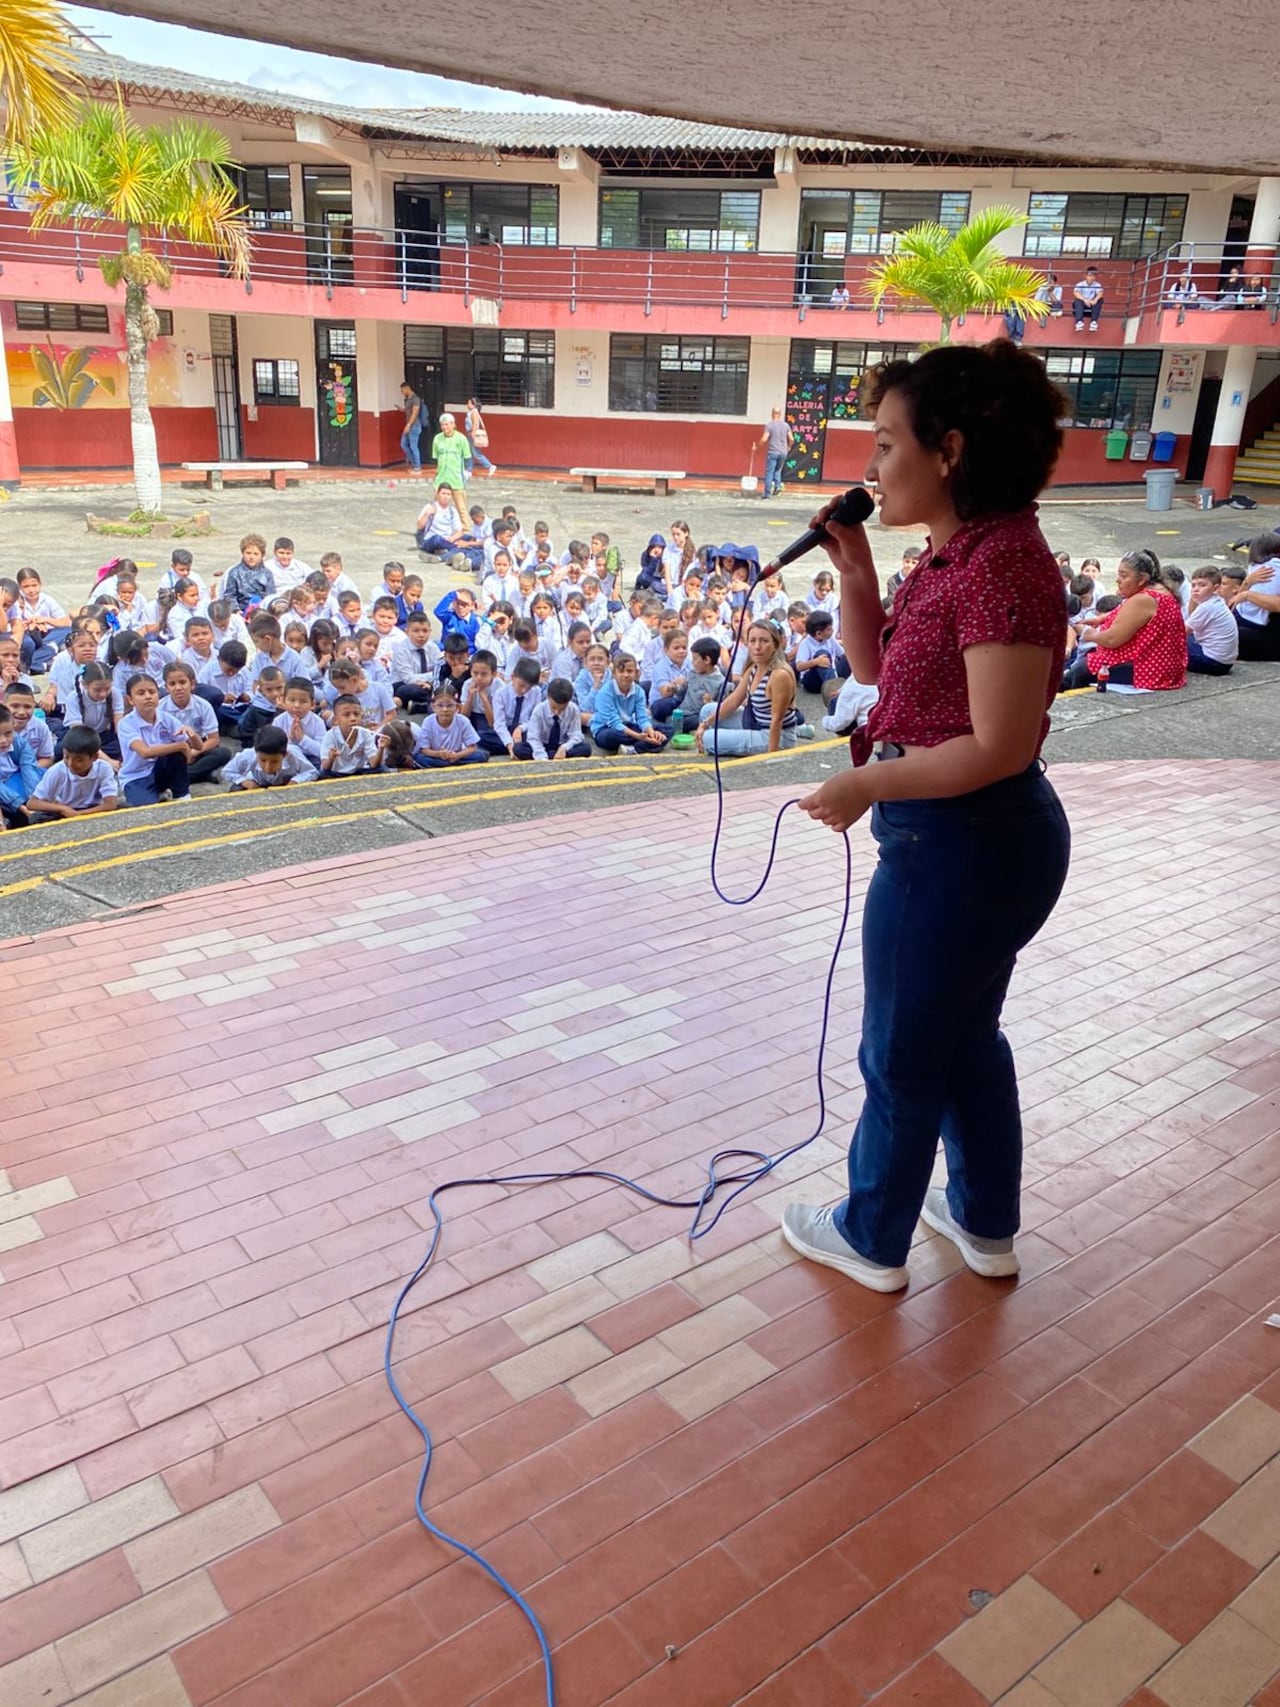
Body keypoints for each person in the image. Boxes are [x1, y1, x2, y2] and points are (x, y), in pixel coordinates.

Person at [782, 340, 1072, 1294]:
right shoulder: (959, 553)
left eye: (885, 442)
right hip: (966, 841)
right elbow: (876, 674)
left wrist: (868, 786)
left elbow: (998, 745)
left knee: (901, 1050)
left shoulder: (1002, 567)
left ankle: (871, 1235)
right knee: (963, 1038)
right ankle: (984, 1220)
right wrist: (857, 569)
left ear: (947, 450)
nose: (870, 468)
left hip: (968, 844)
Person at [1059, 549, 1187, 691]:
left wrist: (1087, 633)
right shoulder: (1162, 590)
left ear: (1142, 578)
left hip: (1148, 668)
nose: (1117, 580)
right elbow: (1136, 615)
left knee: (1082, 668)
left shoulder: (1143, 599)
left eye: (1124, 575)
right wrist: (1102, 618)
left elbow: (1112, 640)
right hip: (1167, 666)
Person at [697, 619, 801, 756]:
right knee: (707, 711)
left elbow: (777, 720)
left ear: (775, 644)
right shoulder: (754, 668)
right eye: (753, 641)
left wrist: (772, 757)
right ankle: (802, 729)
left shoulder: (779, 675)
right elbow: (734, 700)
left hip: (774, 735)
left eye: (764, 641)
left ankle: (798, 730)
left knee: (708, 739)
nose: (757, 646)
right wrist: (705, 723)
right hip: (755, 720)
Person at [117, 673, 199, 806]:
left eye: (152, 692)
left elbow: (198, 747)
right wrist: (182, 746)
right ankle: (155, 794)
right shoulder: (126, 723)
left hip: (159, 770)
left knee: (176, 753)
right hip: (136, 776)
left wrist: (192, 734)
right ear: (130, 700)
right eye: (141, 693)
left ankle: (181, 794)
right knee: (146, 809)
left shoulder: (165, 718)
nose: (148, 696)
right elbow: (145, 752)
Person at [26, 726, 119, 820]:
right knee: (36, 818)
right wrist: (63, 808)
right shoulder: (57, 770)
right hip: (65, 809)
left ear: (94, 757)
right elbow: (32, 803)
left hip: (93, 809)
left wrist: (78, 814)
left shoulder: (104, 768)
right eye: (66, 757)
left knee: (125, 808)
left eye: (79, 760)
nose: (70, 763)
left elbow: (110, 804)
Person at [590, 653, 670, 753]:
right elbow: (614, 722)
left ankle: (633, 749)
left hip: (629, 724)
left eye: (629, 671)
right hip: (606, 728)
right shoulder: (605, 692)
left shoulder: (639, 691)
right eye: (621, 671)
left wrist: (651, 732)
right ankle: (643, 745)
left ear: (636, 673)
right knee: (611, 736)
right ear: (614, 674)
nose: (626, 675)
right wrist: (638, 736)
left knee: (667, 730)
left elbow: (642, 717)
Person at [1226, 531, 1280, 661]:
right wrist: (1248, 582)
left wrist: (1247, 595)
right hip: (1257, 623)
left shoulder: (1273, 569)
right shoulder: (1260, 569)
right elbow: (1236, 601)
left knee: (1231, 636)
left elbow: (1277, 605)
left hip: (1272, 634)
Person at [515, 677, 591, 761]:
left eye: (562, 709)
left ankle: (556, 754)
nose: (557, 712)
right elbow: (533, 737)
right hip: (543, 744)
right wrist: (541, 756)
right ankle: (551, 755)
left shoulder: (573, 709)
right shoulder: (539, 710)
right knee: (519, 749)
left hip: (561, 744)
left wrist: (564, 748)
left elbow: (576, 735)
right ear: (548, 696)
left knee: (586, 748)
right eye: (554, 707)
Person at [223, 724, 318, 790]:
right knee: (235, 789)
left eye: (274, 762)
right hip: (256, 784)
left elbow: (312, 772)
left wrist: (295, 781)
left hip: (285, 785)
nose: (268, 767)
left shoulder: (293, 754)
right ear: (256, 753)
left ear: (285, 755)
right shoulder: (248, 755)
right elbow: (227, 771)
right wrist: (245, 782)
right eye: (263, 761)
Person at [413, 688, 487, 767]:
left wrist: (458, 755)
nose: (445, 710)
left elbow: (472, 747)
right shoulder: (428, 722)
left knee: (481, 755)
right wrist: (438, 754)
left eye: (450, 705)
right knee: (419, 757)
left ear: (457, 707)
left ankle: (446, 763)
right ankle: (446, 763)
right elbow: (424, 749)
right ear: (433, 707)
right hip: (436, 755)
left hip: (457, 754)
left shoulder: (462, 721)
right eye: (440, 705)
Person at [1184, 568, 1238, 675]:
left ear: (1215, 588)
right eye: (1193, 585)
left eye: (1202, 585)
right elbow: (1191, 617)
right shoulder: (1216, 601)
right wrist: (1194, 599)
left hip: (1212, 663)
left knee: (1170, 641)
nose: (1196, 589)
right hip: (1225, 662)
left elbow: (1182, 631)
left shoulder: (1207, 607)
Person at [0, 703, 40, 826]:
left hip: (19, 783)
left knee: (43, 774)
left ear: (14, 726)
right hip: (5, 794)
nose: (3, 740)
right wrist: (21, 806)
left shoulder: (20, 744)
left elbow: (29, 769)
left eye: (8, 733)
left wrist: (34, 800)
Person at [431, 413, 470, 497]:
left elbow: (467, 458)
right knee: (436, 507)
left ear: (453, 424)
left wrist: (467, 473)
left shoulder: (461, 439)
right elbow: (437, 459)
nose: (444, 427)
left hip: (456, 479)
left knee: (462, 508)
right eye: (442, 425)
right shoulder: (437, 439)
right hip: (441, 478)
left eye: (447, 424)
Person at [758, 407, 793, 499]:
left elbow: (764, 439)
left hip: (773, 452)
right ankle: (777, 486)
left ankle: (767, 494)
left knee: (769, 472)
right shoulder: (786, 425)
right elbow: (792, 438)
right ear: (780, 414)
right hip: (783, 452)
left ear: (772, 413)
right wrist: (789, 447)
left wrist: (757, 447)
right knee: (777, 470)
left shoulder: (769, 425)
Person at [463, 397, 497, 478]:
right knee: (469, 452)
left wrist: (473, 434)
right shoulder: (471, 412)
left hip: (472, 433)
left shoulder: (474, 412)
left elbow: (475, 424)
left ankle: (490, 466)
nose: (467, 405)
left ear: (473, 405)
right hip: (469, 433)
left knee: (476, 453)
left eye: (469, 403)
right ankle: (469, 469)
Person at [399, 380, 424, 471]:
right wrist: (401, 409)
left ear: (407, 388)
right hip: (409, 425)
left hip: (414, 426)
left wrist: (408, 425)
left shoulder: (415, 399)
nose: (402, 393)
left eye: (402, 391)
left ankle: (417, 466)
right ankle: (413, 463)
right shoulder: (408, 399)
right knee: (403, 444)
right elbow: (408, 411)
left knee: (413, 446)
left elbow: (414, 413)